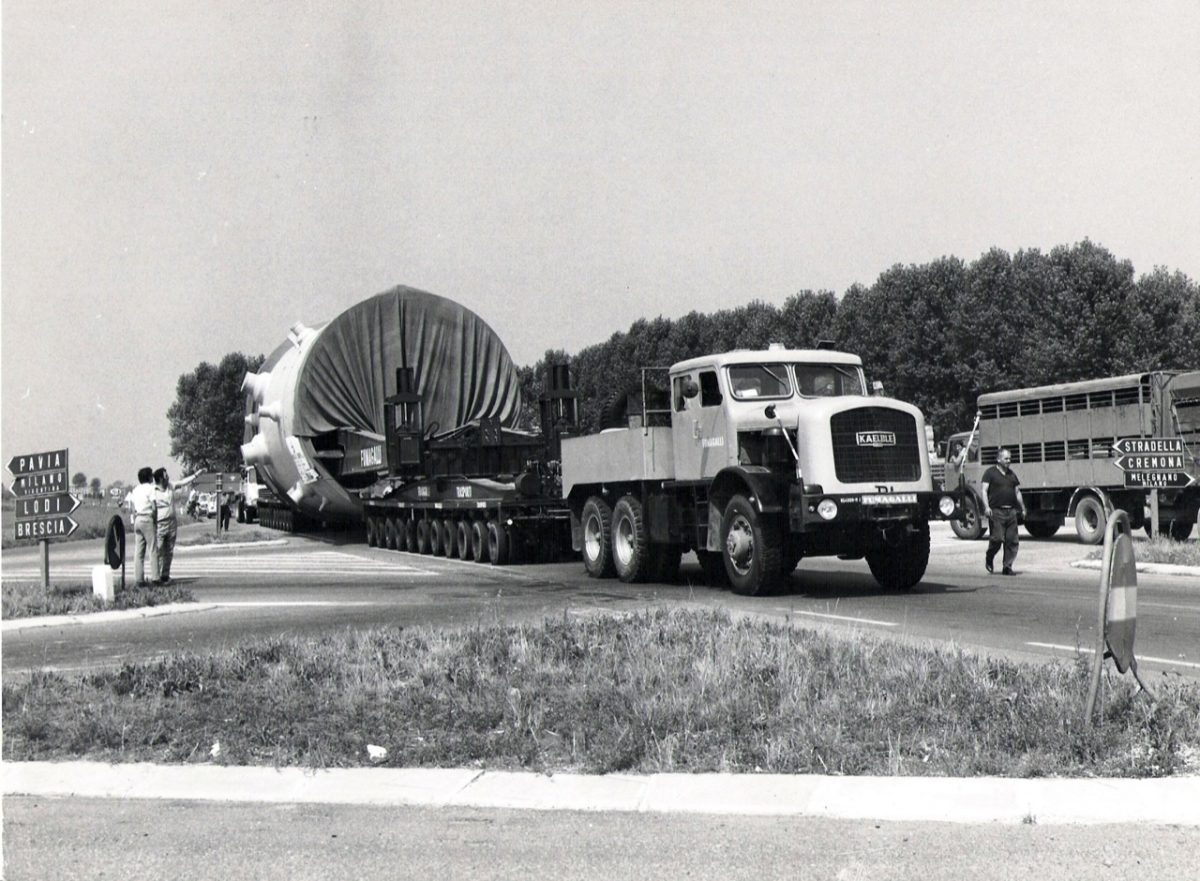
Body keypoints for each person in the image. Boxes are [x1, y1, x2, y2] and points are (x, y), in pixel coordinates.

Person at [981, 447, 1025, 576]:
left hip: (1011, 512)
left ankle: (1007, 566)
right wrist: (986, 507)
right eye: (1006, 458)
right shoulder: (990, 473)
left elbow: (1017, 492)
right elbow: (984, 490)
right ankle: (990, 556)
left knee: (1012, 540)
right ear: (998, 459)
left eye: (1010, 458)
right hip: (996, 512)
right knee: (997, 538)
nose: (1008, 461)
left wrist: (1023, 508)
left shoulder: (1012, 475)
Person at [127, 466, 158, 587]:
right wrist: (155, 519)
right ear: (149, 477)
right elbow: (154, 506)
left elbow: (132, 507)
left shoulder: (136, 489)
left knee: (139, 551)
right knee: (152, 549)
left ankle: (139, 579)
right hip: (147, 518)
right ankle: (155, 577)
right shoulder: (151, 488)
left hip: (138, 519)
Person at [152, 468, 178, 584]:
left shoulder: (171, 487)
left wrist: (196, 475)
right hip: (160, 524)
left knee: (169, 550)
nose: (168, 477)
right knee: (159, 550)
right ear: (161, 479)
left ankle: (165, 575)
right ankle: (156, 576)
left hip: (172, 523)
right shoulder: (153, 491)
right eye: (166, 476)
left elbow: (183, 482)